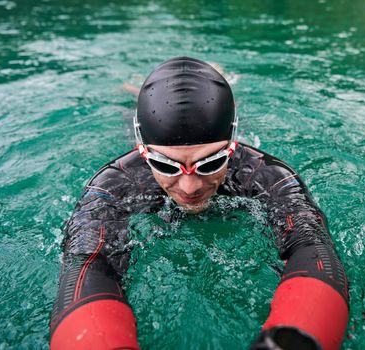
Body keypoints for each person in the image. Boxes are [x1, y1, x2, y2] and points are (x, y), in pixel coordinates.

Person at [50, 57, 349, 350]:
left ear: (232, 145)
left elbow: (310, 245)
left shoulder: (264, 174)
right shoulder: (115, 184)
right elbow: (89, 265)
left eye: (212, 162)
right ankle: (138, 90)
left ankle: (218, 79)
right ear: (142, 151)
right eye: (165, 165)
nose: (189, 187)